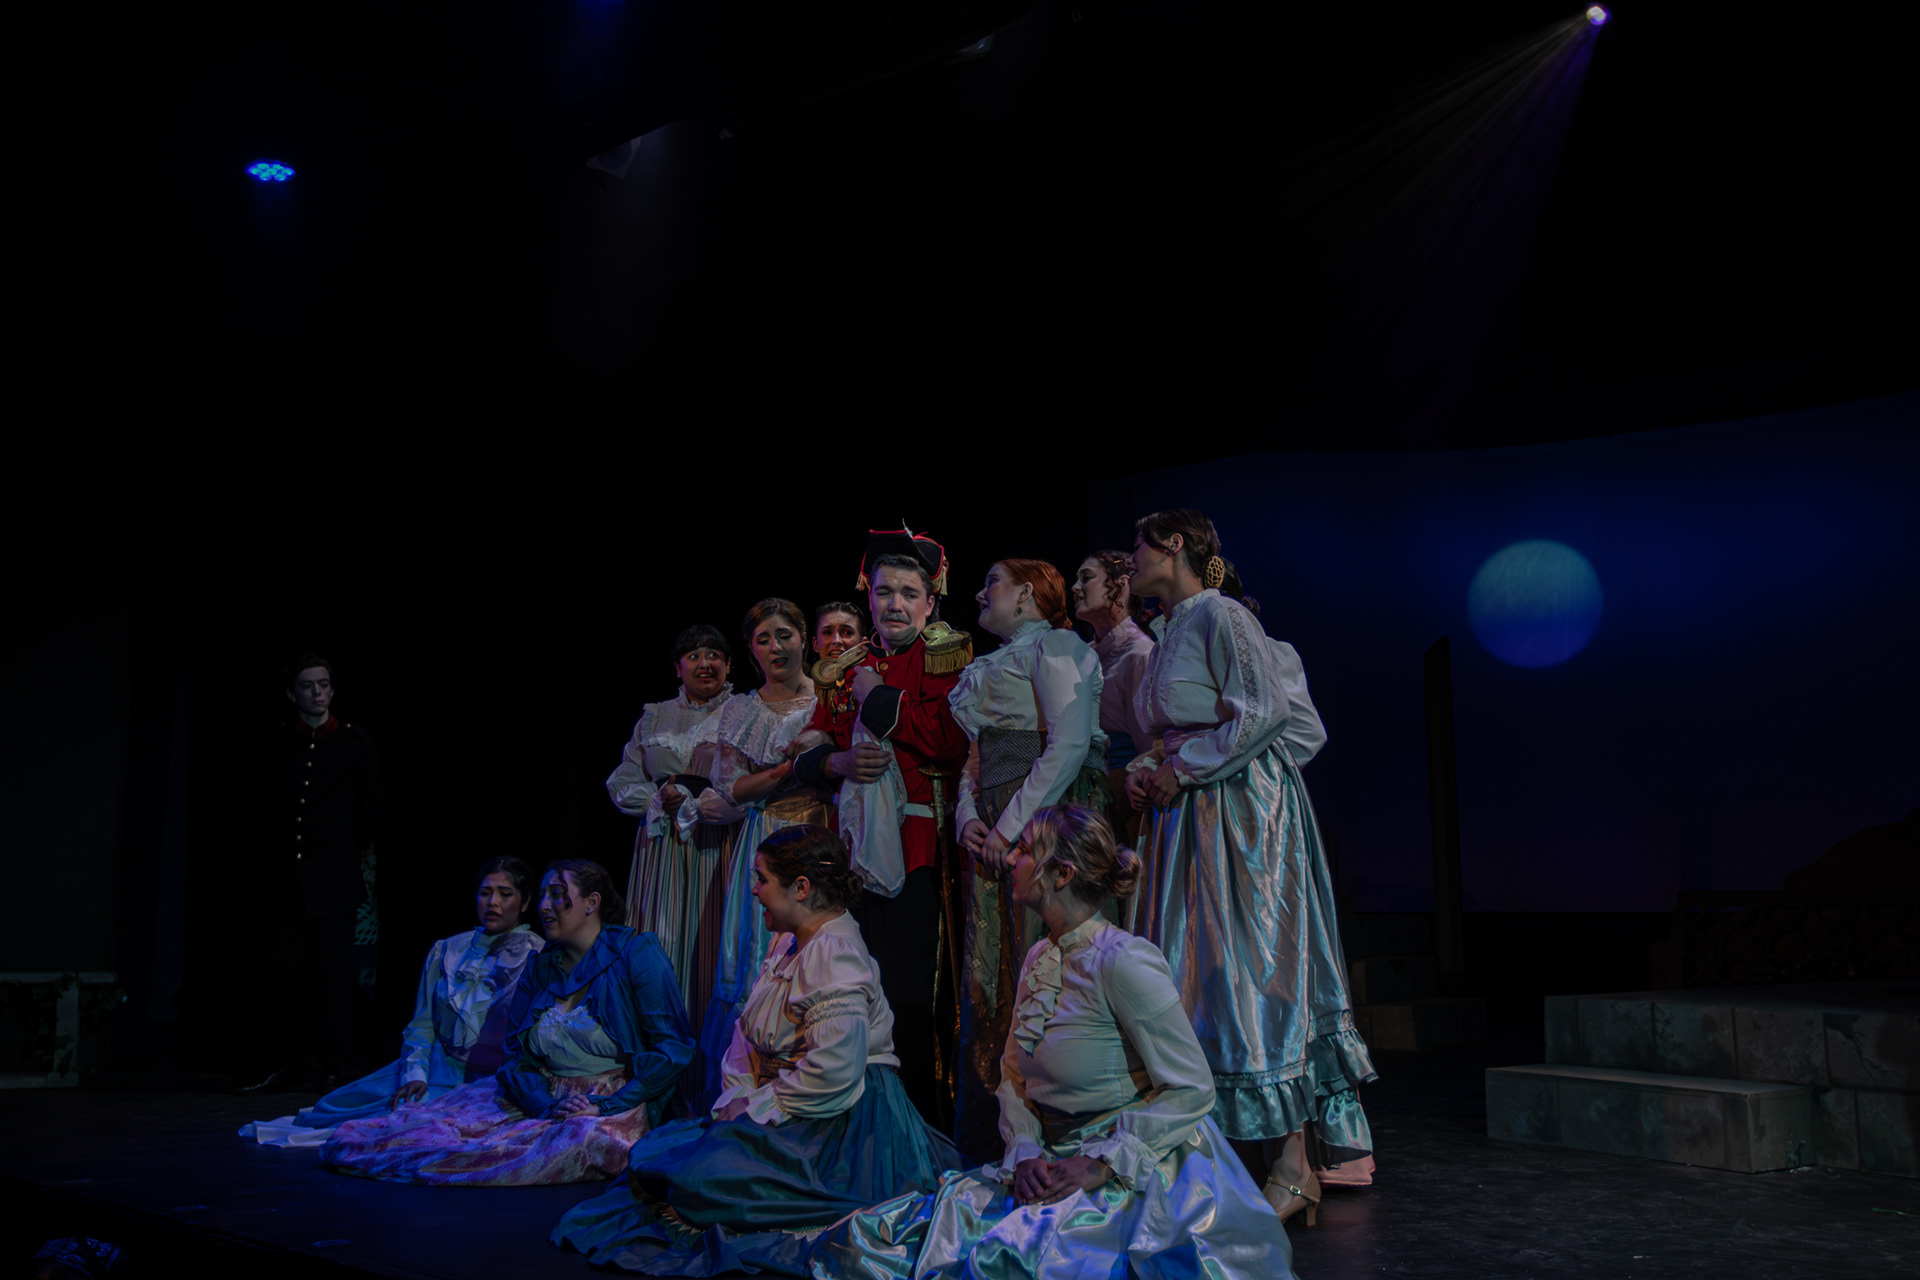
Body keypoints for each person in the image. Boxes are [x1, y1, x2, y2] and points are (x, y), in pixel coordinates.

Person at [811, 805, 1297, 1280]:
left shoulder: (1122, 961)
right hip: (1054, 1156)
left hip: (1133, 1163)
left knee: (1014, 1257)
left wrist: (1104, 1162)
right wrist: (1024, 1149)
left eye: (1024, 850)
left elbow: (1192, 1087)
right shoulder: (1041, 957)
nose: (1011, 859)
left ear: (1061, 873)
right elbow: (1014, 1076)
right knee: (896, 1239)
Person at [552, 825, 961, 1277]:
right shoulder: (788, 940)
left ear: (800, 888)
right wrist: (739, 1096)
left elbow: (835, 1071)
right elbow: (747, 1036)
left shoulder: (835, 953)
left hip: (843, 1120)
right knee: (663, 1153)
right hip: (792, 1102)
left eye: (762, 879)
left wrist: (757, 1107)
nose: (754, 890)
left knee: (702, 1180)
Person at [1124, 508, 1375, 1222]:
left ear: (1173, 545)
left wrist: (1187, 767)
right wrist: (1150, 767)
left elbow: (1264, 712)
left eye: (1138, 547)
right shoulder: (1168, 631)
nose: (1131, 560)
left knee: (1253, 970)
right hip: (1184, 815)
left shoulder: (1222, 614)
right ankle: (1210, 1155)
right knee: (1193, 979)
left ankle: (1295, 1165)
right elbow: (1173, 726)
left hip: (1236, 812)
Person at [320, 861, 694, 1185]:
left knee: (559, 1146)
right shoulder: (540, 967)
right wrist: (545, 1104)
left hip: (613, 1100)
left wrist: (607, 1105)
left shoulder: (636, 953)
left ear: (591, 902)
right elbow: (516, 1056)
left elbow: (674, 1048)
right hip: (543, 1095)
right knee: (417, 1132)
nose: (544, 906)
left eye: (556, 894)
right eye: (543, 895)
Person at [790, 529, 971, 1128]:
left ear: (930, 602)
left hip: (919, 851)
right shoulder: (845, 667)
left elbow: (947, 740)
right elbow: (810, 750)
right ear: (869, 598)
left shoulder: (944, 656)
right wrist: (835, 763)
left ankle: (921, 1125)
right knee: (854, 990)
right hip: (849, 854)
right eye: (885, 592)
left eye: (909, 594)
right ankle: (860, 1119)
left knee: (911, 995)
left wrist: (877, 699)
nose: (895, 604)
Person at [949, 558, 1109, 1161]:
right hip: (996, 829)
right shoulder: (992, 663)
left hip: (1042, 825)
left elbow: (1068, 744)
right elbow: (977, 755)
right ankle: (993, 1136)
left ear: (1025, 593)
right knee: (992, 970)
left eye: (992, 581)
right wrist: (967, 815)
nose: (979, 592)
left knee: (1043, 961)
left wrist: (1011, 829)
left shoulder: (1056, 645)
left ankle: (1058, 1132)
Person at [241, 856, 545, 1146]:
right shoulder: (448, 950)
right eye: (485, 893)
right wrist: (415, 1074)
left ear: (525, 902)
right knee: (332, 1107)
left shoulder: (537, 956)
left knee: (403, 1124)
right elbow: (423, 1024)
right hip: (437, 1066)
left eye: (505, 894)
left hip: (491, 1079)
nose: (493, 902)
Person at [681, 599, 831, 1112]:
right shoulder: (742, 710)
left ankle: (814, 1082)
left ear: (804, 638)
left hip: (822, 831)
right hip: (766, 835)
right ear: (751, 650)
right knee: (755, 953)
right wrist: (790, 770)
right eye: (764, 639)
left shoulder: (826, 698)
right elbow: (733, 788)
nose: (776, 646)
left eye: (784, 634)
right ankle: (746, 1093)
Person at [243, 653, 383, 1095]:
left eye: (323, 684)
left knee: (332, 980)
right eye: (308, 686)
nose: (318, 692)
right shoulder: (278, 742)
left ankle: (333, 1065)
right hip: (285, 882)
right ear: (292, 694)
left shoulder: (353, 742)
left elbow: (369, 811)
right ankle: (281, 1064)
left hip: (333, 879)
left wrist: (344, 856)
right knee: (282, 979)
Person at [605, 626, 736, 1021]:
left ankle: (709, 1050)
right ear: (678, 668)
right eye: (694, 656)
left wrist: (706, 802)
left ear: (729, 665)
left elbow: (750, 778)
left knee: (712, 940)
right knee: (659, 938)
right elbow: (623, 780)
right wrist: (657, 798)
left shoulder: (742, 713)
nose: (705, 663)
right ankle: (659, 1043)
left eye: (714, 655)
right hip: (661, 844)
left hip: (717, 840)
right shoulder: (654, 717)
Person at [1072, 550, 1160, 841]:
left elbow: (1149, 747)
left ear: (1121, 585)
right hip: (1085, 793)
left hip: (1123, 793)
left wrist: (1117, 814)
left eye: (1086, 578)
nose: (1075, 588)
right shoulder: (1084, 655)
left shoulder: (1139, 654)